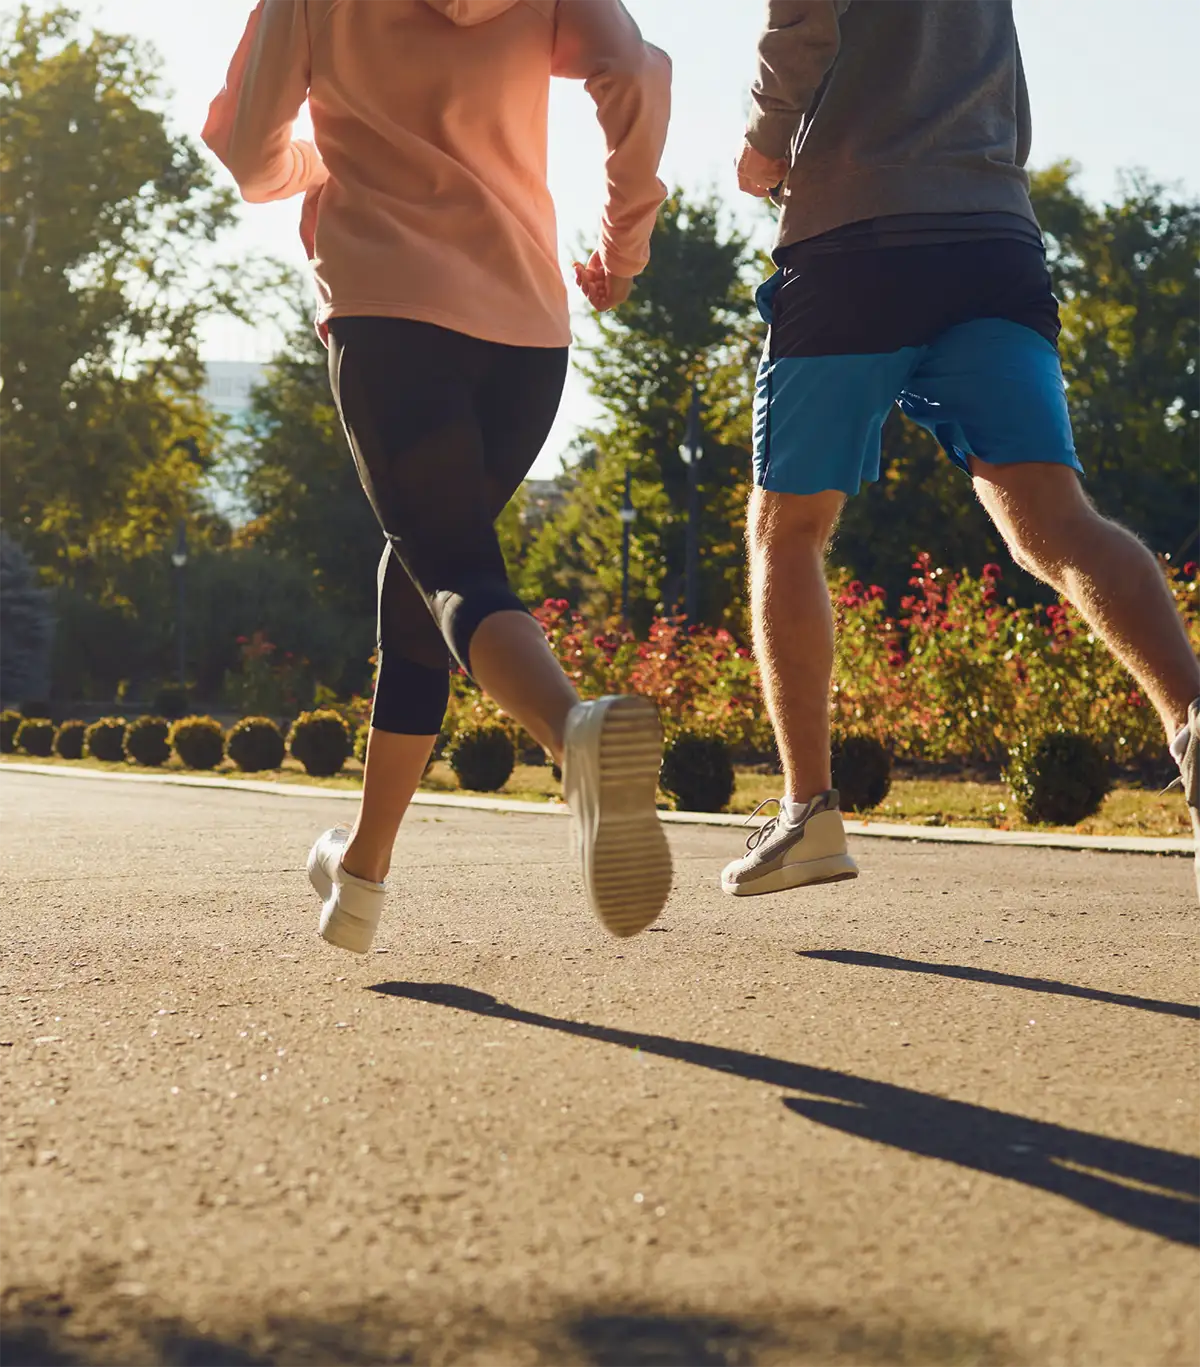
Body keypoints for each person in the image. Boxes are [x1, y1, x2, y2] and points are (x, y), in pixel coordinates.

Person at [204, 0, 675, 951]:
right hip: (527, 335)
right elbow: (638, 69)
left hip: (390, 314)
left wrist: (316, 163)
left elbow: (251, 153)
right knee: (419, 574)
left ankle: (572, 732)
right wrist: (625, 242)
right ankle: (363, 869)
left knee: (452, 564)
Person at [725, 0, 1200, 900]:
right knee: (1056, 524)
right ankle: (1194, 713)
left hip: (854, 238)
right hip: (992, 233)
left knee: (790, 530)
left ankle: (808, 812)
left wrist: (764, 141)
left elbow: (802, 26)